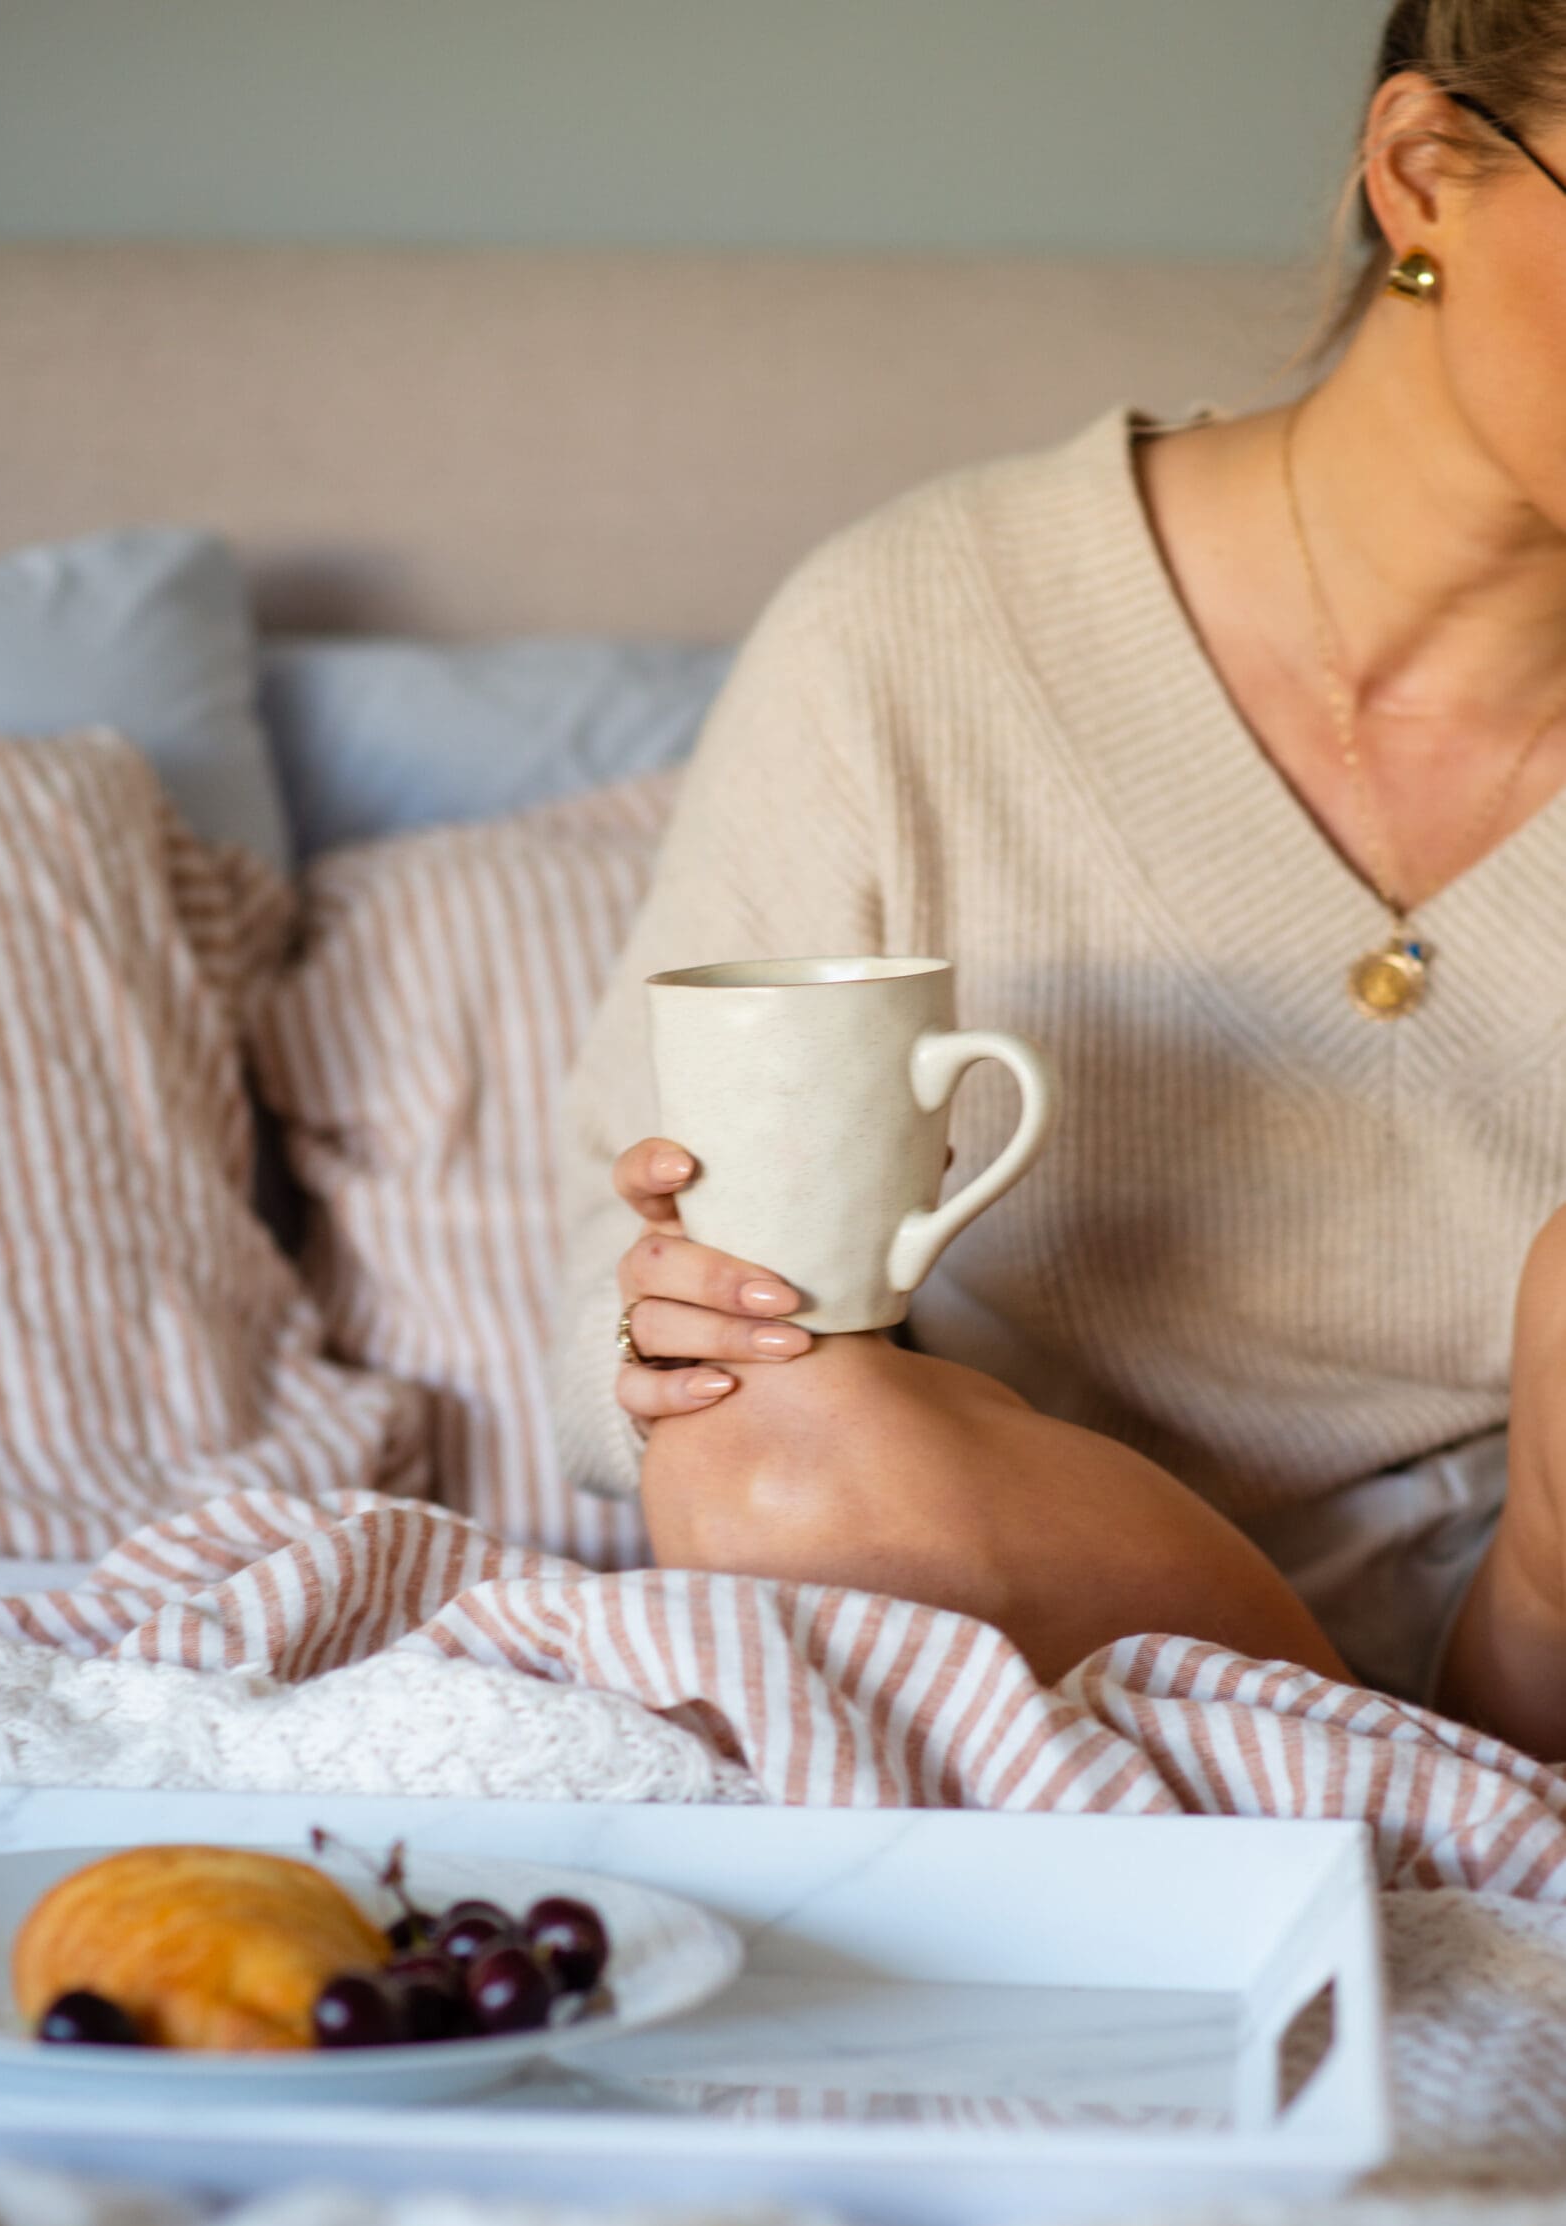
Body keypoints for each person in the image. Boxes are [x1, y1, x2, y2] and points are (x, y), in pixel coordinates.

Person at [553, 0, 1566, 1761]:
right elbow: (615, 1265)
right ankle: (1410, 1825)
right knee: (764, 1444)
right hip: (1032, 1613)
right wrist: (655, 1339)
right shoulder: (924, 626)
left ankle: (1456, 1810)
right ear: (1422, 178)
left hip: (1540, 1649)